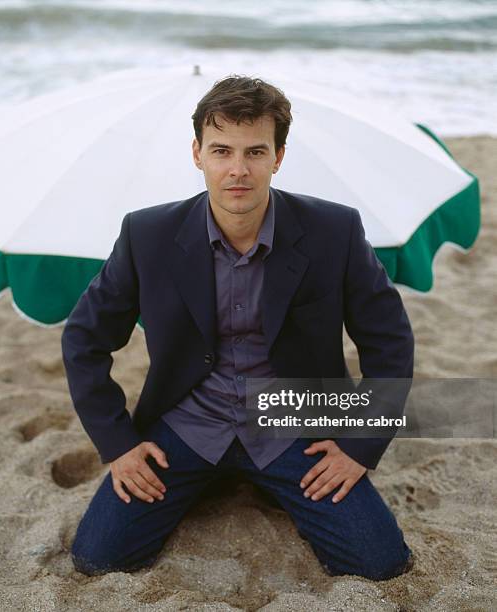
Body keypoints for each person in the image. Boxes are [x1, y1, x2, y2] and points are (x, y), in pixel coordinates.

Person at [61, 75, 415, 581]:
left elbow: (390, 340)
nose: (238, 170)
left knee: (380, 563)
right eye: (222, 150)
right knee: (98, 558)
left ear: (279, 157)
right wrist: (117, 443)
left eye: (255, 152)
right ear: (197, 154)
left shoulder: (335, 230)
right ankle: (216, 478)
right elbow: (84, 338)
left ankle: (243, 479)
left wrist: (359, 444)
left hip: (295, 425)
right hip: (186, 425)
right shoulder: (147, 234)